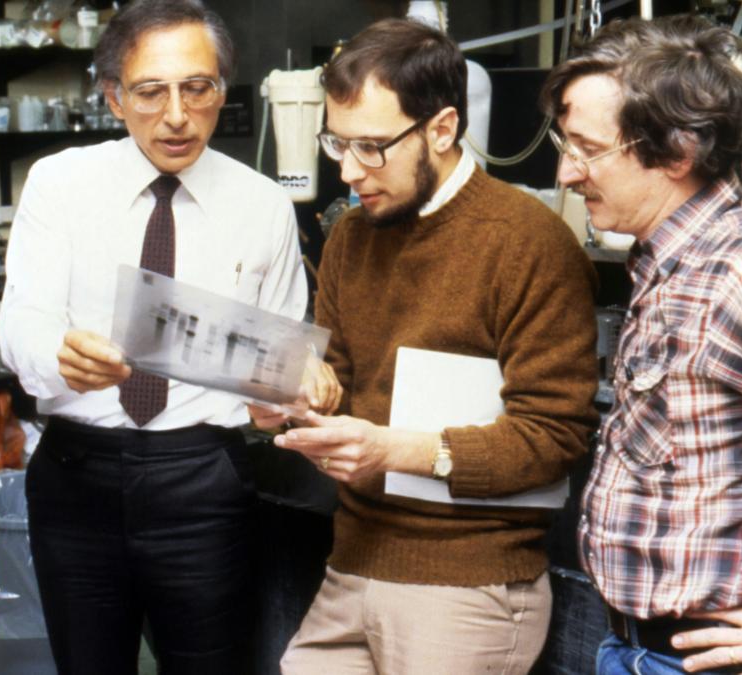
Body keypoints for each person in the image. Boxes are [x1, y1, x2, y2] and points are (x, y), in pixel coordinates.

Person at [0, 1, 335, 672]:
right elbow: (22, 325)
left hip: (204, 479)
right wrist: (60, 357)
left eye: (198, 88)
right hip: (76, 477)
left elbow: (282, 354)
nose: (177, 115)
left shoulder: (262, 201)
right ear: (115, 98)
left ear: (221, 90)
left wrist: (291, 394)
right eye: (151, 92)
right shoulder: (60, 183)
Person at [257, 18, 600, 674]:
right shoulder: (351, 238)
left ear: (442, 129)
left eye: (372, 147)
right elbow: (339, 388)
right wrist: (295, 392)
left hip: (467, 584)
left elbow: (554, 437)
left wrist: (399, 449)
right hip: (351, 565)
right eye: (337, 143)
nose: (348, 170)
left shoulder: (529, 243)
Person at [541, 15, 742, 675]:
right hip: (635, 648)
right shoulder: (668, 261)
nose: (566, 172)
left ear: (676, 153)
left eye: (585, 148)